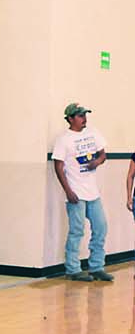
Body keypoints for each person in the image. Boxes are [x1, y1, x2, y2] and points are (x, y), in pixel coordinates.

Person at [52, 102, 112, 282]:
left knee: (101, 227)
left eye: (85, 115)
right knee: (77, 231)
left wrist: (98, 161)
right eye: (79, 115)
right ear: (70, 119)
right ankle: (73, 269)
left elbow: (103, 154)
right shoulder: (64, 139)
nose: (84, 118)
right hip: (76, 193)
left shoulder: (93, 132)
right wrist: (68, 191)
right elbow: (58, 166)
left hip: (93, 192)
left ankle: (97, 267)